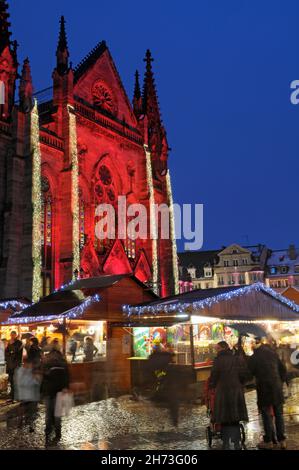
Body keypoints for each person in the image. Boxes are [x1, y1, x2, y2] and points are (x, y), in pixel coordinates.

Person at [248, 338, 287, 450]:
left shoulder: (254, 357)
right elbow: (283, 369)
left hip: (264, 389)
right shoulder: (273, 354)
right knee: (279, 414)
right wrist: (280, 381)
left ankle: (269, 441)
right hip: (276, 388)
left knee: (266, 415)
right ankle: (282, 441)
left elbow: (249, 374)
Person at [209, 341, 249, 450]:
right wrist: (240, 383)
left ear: (222, 348)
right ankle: (236, 443)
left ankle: (226, 443)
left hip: (223, 391)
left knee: (224, 417)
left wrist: (212, 385)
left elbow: (214, 375)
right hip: (236, 390)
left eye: (217, 348)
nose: (216, 350)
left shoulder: (217, 360)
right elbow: (244, 374)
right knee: (235, 418)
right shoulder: (236, 359)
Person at [42, 339, 69, 446]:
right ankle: (58, 432)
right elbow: (67, 375)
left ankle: (48, 430)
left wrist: (42, 390)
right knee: (57, 412)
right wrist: (66, 387)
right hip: (59, 390)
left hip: (49, 390)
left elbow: (43, 375)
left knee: (49, 412)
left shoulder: (47, 359)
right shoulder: (62, 359)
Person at [14, 358, 41, 433]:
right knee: (23, 409)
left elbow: (37, 383)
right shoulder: (20, 371)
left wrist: (37, 379)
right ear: (25, 363)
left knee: (32, 411)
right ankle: (21, 422)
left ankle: (30, 425)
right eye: (29, 364)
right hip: (24, 395)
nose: (30, 365)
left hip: (32, 395)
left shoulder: (31, 371)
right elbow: (21, 383)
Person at [5, 331, 23, 401]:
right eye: (11, 335)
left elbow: (15, 351)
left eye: (13, 335)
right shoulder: (10, 342)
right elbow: (7, 352)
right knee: (11, 381)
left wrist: (11, 351)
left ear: (16, 335)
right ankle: (12, 397)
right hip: (10, 365)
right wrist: (9, 352)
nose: (11, 336)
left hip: (16, 365)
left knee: (16, 381)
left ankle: (16, 397)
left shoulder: (19, 343)